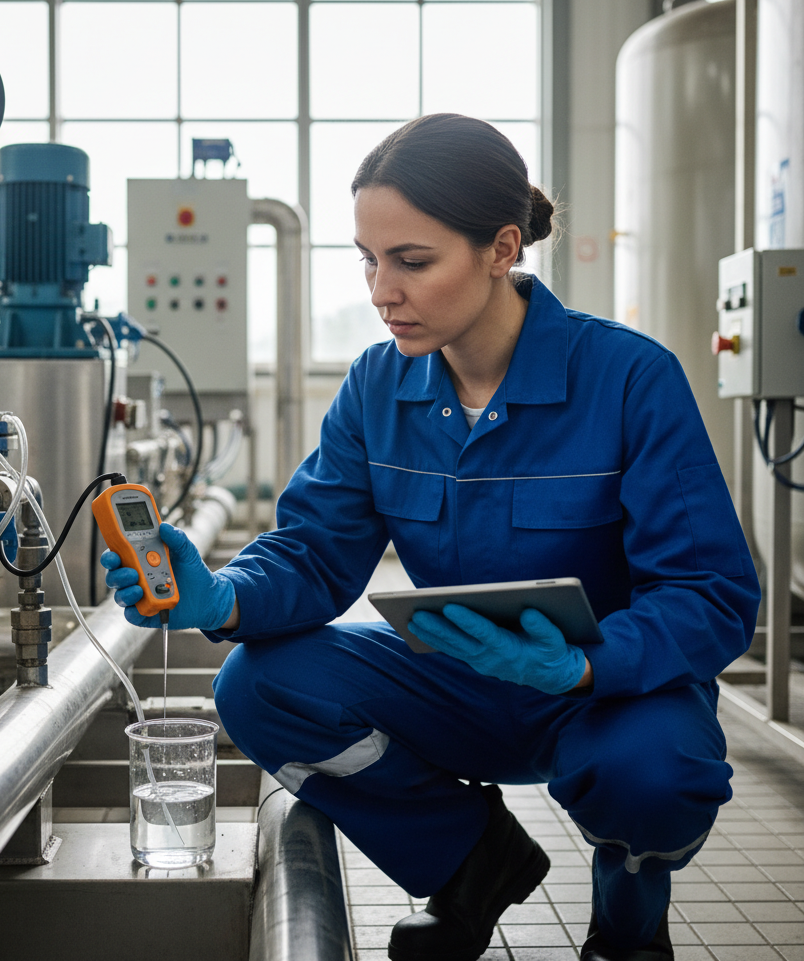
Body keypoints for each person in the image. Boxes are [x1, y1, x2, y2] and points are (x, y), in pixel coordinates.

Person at [103, 113, 760, 961]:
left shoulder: (630, 379)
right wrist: (224, 595)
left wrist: (586, 663)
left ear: (501, 248)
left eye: (412, 262)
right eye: (369, 260)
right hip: (462, 683)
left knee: (658, 775)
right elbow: (314, 548)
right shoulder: (379, 386)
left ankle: (630, 908)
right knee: (256, 687)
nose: (382, 291)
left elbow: (712, 597)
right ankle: (470, 861)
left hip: (611, 694)